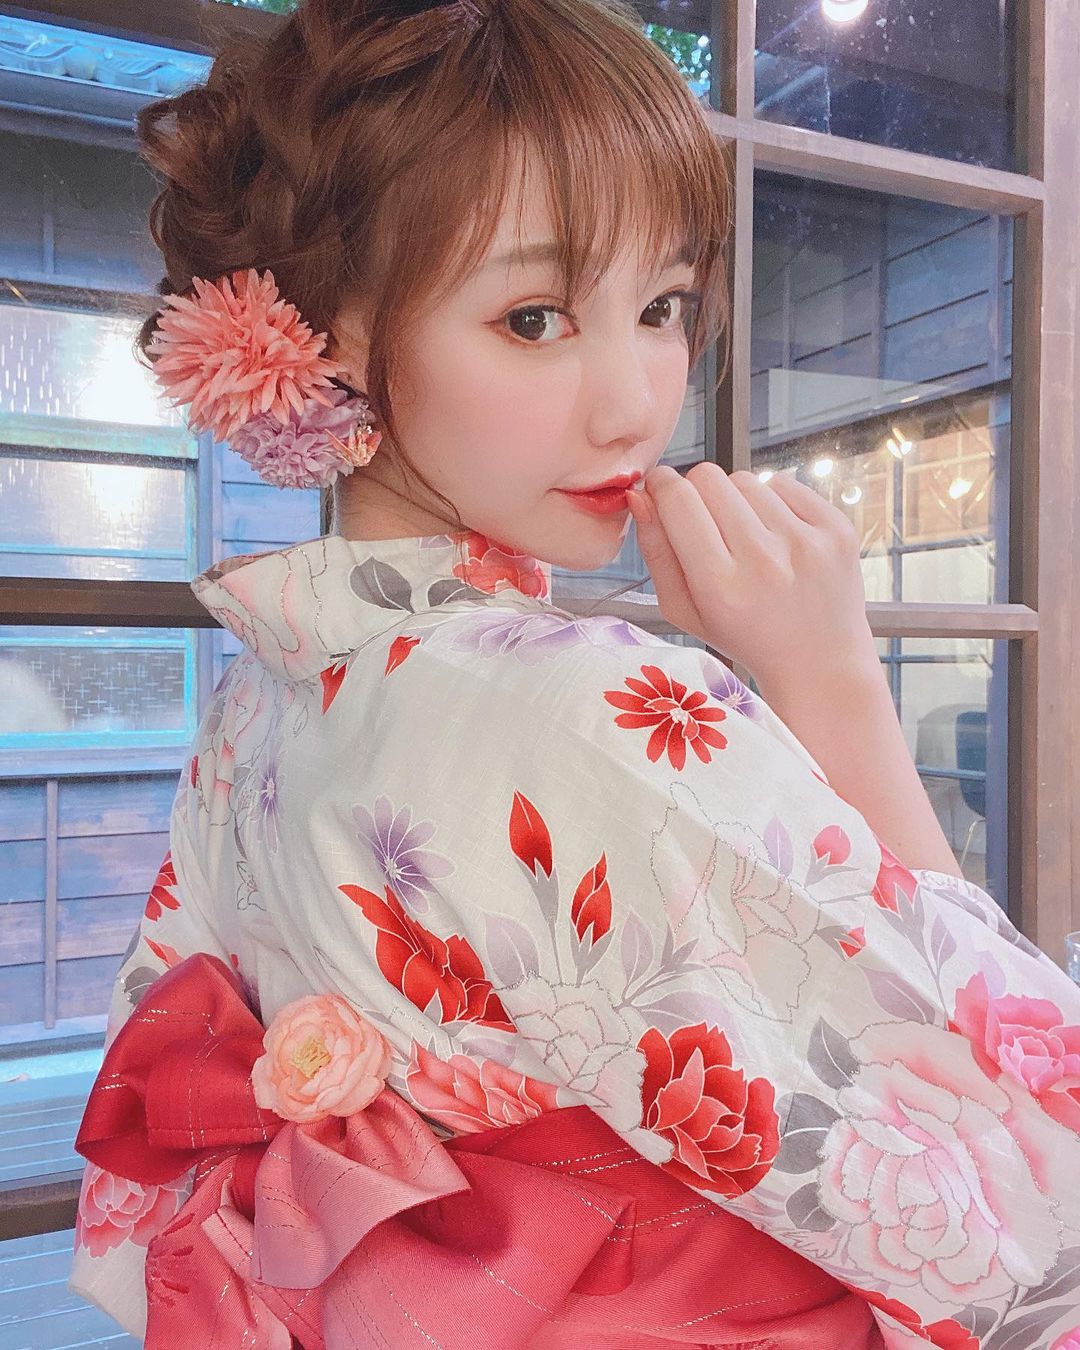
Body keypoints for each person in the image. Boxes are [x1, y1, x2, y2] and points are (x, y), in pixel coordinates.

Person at [69, 0, 1080, 1345]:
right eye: (535, 316)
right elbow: (1014, 1151)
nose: (637, 400)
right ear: (333, 334)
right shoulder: (575, 708)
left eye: (661, 307)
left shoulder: (265, 692)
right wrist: (830, 678)